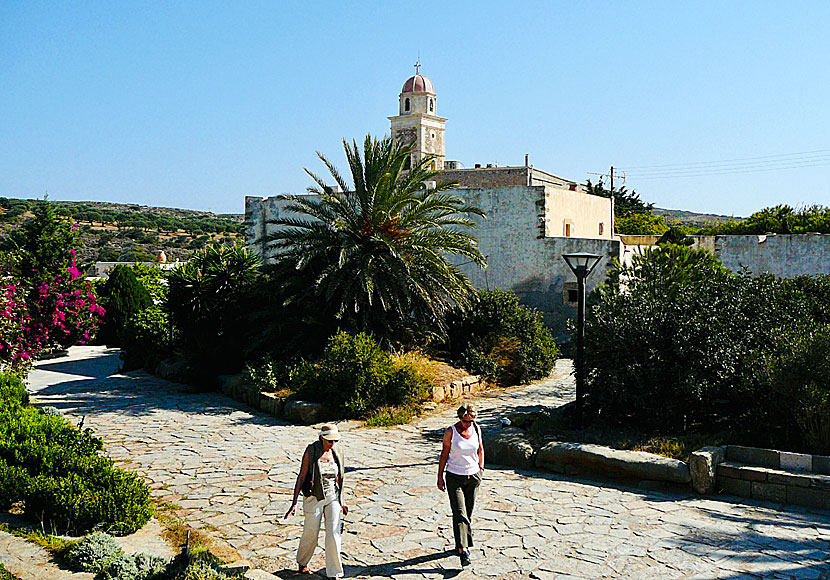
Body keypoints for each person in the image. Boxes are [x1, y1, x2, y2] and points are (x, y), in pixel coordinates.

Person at [285, 424, 348, 578]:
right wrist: (294, 503)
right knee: (311, 532)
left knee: (334, 533)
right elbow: (301, 476)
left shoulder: (337, 452)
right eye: (329, 441)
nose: (332, 444)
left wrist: (342, 501)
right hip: (314, 497)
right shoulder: (311, 451)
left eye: (335, 441)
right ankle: (303, 562)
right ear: (322, 438)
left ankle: (335, 573)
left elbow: (340, 478)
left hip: (333, 496)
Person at [437, 403, 484, 568]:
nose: (468, 424)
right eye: (465, 421)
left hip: (473, 477)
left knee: (467, 514)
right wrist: (439, 476)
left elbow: (480, 450)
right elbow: (444, 454)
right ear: (459, 419)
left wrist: (481, 469)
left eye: (471, 421)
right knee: (459, 513)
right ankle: (463, 550)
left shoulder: (476, 429)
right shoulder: (451, 432)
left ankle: (462, 541)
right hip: (454, 477)